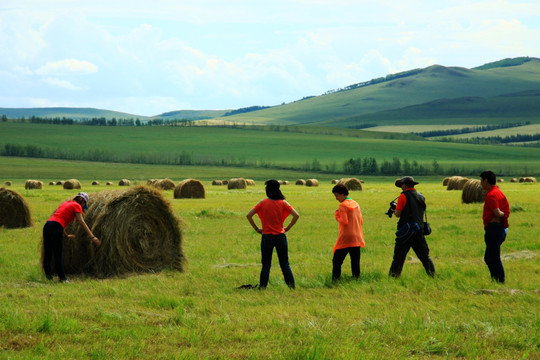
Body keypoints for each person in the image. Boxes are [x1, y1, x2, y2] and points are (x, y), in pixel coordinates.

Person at [246, 179, 299, 289]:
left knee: (266, 265)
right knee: (285, 264)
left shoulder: (263, 202)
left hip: (267, 236)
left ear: (267, 190)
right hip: (280, 236)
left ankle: (262, 287)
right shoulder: (283, 202)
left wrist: (256, 228)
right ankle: (292, 287)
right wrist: (287, 227)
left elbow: (249, 215)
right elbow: (296, 215)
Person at [42, 192, 101, 282]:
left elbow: (59, 220)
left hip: (48, 225)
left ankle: (48, 276)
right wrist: (92, 237)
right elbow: (81, 222)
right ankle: (62, 278)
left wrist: (66, 235)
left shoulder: (66, 203)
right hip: (56, 226)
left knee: (48, 252)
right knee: (58, 254)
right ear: (81, 200)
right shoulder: (77, 206)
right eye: (84, 204)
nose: (83, 207)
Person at [389, 176, 435, 278]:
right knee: (424, 256)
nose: (401, 187)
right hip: (419, 230)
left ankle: (393, 277)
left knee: (398, 257)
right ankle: (432, 275)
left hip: (406, 231)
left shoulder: (403, 196)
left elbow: (398, 214)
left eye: (401, 185)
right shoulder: (421, 196)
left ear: (405, 185)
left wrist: (394, 210)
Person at [480, 171, 510, 283]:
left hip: (494, 228)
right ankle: (495, 280)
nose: (480, 183)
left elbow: (497, 212)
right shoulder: (498, 192)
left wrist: (502, 214)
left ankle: (500, 281)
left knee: (493, 257)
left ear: (486, 181)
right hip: (497, 228)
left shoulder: (491, 194)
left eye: (481, 181)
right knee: (489, 257)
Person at [331, 184, 365, 281]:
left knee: (337, 260)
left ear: (342, 194)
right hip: (357, 236)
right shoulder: (356, 204)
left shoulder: (342, 206)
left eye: (337, 196)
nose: (336, 198)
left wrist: (336, 215)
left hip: (346, 237)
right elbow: (361, 220)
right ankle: (356, 278)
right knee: (355, 260)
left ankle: (335, 280)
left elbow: (344, 221)